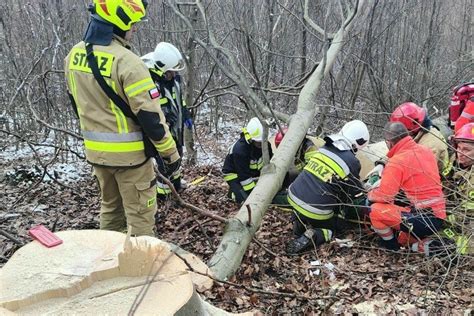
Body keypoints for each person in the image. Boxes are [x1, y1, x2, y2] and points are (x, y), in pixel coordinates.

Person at [64, 0, 180, 236]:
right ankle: (140, 266)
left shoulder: (74, 56)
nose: (135, 27)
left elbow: (76, 104)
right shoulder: (128, 62)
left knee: (110, 210)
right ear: (119, 22)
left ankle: (109, 262)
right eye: (133, 22)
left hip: (97, 155)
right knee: (140, 217)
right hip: (131, 159)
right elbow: (151, 119)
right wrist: (171, 154)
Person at [285, 120, 370, 254]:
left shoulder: (325, 148)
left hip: (293, 195)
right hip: (315, 209)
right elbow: (352, 193)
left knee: (318, 197)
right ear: (358, 142)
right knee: (333, 229)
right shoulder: (352, 161)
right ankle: (315, 234)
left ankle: (299, 223)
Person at [368, 122, 446, 251]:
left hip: (422, 219)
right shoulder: (425, 151)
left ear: (389, 142)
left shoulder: (397, 161)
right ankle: (412, 243)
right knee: (404, 239)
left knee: (374, 210)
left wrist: (371, 192)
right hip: (438, 214)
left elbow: (384, 197)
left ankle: (392, 248)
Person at [141, 42, 192, 197]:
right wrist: (166, 118)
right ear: (162, 69)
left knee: (177, 156)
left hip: (175, 127)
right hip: (161, 129)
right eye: (171, 72)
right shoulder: (150, 81)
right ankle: (164, 194)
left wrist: (185, 114)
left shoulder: (175, 79)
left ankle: (175, 184)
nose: (174, 74)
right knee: (166, 161)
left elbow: (179, 100)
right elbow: (149, 109)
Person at [389, 102, 450, 176]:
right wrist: (382, 163)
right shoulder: (421, 132)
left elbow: (416, 175)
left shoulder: (428, 147)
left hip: (438, 181)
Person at [222, 117, 272, 204]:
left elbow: (270, 161)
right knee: (246, 201)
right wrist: (255, 194)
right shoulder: (240, 151)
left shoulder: (266, 144)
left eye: (263, 140)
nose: (262, 144)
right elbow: (244, 177)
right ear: (250, 138)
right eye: (259, 141)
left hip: (251, 171)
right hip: (235, 174)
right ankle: (233, 193)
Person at [444, 122, 474, 254]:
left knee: (461, 245)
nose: (460, 153)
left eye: (466, 149)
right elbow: (444, 182)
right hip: (452, 211)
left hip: (467, 222)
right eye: (458, 147)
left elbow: (468, 215)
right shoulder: (455, 160)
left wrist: (442, 218)